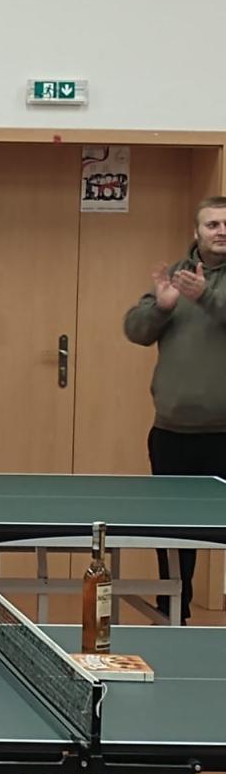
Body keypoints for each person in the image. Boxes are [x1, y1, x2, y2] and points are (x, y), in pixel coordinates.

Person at [123, 195, 226, 625]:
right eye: (212, 224)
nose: (221, 231)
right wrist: (162, 308)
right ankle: (172, 614)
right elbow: (135, 329)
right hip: (173, 431)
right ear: (196, 232)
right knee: (172, 531)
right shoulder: (176, 279)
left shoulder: (199, 288)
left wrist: (207, 298)